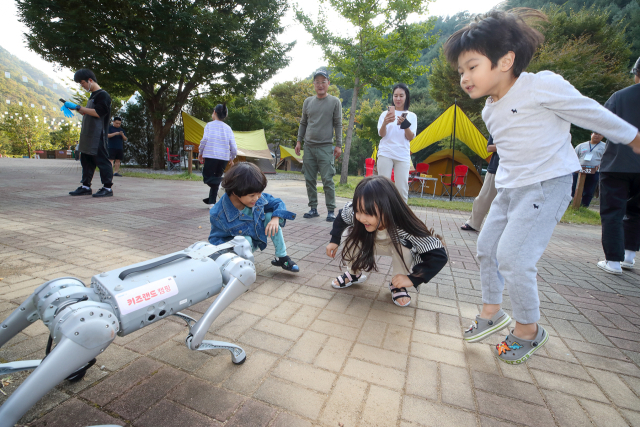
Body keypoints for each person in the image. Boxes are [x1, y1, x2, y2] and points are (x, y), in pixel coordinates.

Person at [445, 8, 640, 364]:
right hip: (510, 189)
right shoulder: (489, 109)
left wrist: (631, 136)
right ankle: (492, 311)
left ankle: (528, 331)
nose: (465, 77)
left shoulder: (540, 84)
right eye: (461, 71)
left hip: (547, 185)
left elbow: (587, 111)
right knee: (487, 247)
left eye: (472, 67)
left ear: (505, 60)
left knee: (515, 258)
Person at [326, 176, 448, 307]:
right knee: (348, 234)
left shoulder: (403, 225)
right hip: (369, 243)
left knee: (405, 246)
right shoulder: (355, 213)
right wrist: (334, 240)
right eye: (358, 211)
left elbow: (438, 255)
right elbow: (341, 217)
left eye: (367, 213)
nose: (361, 218)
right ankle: (353, 273)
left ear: (387, 208)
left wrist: (413, 279)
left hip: (394, 246)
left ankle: (397, 285)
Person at [209, 163, 299, 272]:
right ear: (235, 191)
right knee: (244, 240)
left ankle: (282, 257)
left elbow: (278, 203)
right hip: (237, 250)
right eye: (252, 195)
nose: (256, 198)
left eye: (259, 193)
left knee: (271, 216)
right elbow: (215, 241)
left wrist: (275, 218)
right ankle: (240, 268)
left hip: (256, 236)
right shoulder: (218, 214)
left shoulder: (254, 196)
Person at [597, 57, 640, 274]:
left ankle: (613, 261)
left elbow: (600, 124)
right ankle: (630, 256)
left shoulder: (620, 96)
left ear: (636, 73)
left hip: (617, 162)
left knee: (613, 210)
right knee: (637, 212)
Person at [295, 70, 342, 222]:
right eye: (317, 82)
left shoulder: (335, 102)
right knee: (309, 179)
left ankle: (330, 211)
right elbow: (303, 123)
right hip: (308, 147)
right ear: (313, 84)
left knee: (328, 180)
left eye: (323, 81)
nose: (320, 84)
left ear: (328, 83)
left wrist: (339, 145)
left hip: (326, 147)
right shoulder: (308, 102)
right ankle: (313, 208)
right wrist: (298, 141)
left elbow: (338, 124)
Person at [66, 69, 113, 198]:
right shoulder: (93, 95)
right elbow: (88, 111)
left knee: (102, 160)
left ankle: (107, 188)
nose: (82, 86)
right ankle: (85, 186)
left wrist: (79, 108)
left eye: (82, 83)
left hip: (98, 134)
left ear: (90, 80)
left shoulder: (103, 95)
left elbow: (98, 113)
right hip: (88, 134)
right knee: (86, 160)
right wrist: (74, 107)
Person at [377, 83, 417, 202]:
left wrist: (405, 125)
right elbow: (381, 134)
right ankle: (381, 215)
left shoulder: (412, 116)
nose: (398, 99)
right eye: (395, 96)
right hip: (386, 153)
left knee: (402, 189)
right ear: (392, 97)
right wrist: (385, 123)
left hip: (402, 155)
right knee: (382, 187)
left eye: (401, 95)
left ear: (406, 97)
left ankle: (402, 219)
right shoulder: (385, 114)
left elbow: (410, 137)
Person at [198, 103, 237, 206]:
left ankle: (223, 182)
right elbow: (234, 147)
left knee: (207, 178)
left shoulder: (209, 125)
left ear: (214, 112)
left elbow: (204, 140)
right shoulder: (228, 128)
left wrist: (200, 152)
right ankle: (211, 202)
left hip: (211, 155)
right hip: (223, 157)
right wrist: (231, 158)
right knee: (216, 177)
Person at [461, 136, 499, 231]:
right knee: (484, 197)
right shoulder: (496, 127)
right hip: (495, 169)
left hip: (515, 171)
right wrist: (506, 146)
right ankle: (473, 224)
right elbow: (489, 148)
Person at [571, 133, 606, 208]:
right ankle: (570, 204)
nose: (597, 136)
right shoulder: (581, 146)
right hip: (579, 170)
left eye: (600, 134)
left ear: (603, 136)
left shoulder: (605, 147)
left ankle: (584, 207)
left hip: (594, 172)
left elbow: (607, 159)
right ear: (591, 134)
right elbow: (573, 157)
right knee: (573, 187)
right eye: (595, 134)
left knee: (589, 190)